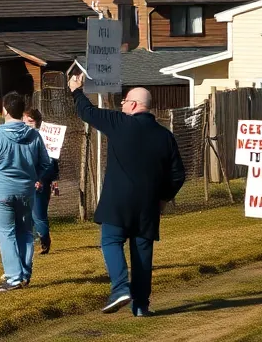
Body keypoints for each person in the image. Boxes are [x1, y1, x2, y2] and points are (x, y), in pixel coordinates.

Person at [68, 73, 185, 317]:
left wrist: (76, 90)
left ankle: (120, 288)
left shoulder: (120, 122)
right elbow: (177, 175)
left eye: (124, 101)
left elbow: (87, 113)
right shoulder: (165, 136)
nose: (121, 104)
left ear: (133, 104)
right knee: (142, 253)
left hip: (118, 201)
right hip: (149, 205)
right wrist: (163, 198)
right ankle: (141, 305)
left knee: (111, 241)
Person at [0, 91, 51, 292]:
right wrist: (35, 177)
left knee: (6, 233)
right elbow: (45, 162)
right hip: (26, 190)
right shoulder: (34, 135)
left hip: (0, 191)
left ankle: (14, 277)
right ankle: (24, 273)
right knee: (25, 231)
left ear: (5, 110)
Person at [23, 109, 59, 254]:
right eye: (25, 121)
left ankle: (44, 241)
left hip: (40, 182)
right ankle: (31, 241)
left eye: (30, 121)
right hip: (26, 180)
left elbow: (50, 163)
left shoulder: (43, 138)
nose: (27, 124)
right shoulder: (25, 137)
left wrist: (42, 179)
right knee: (26, 214)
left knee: (38, 213)